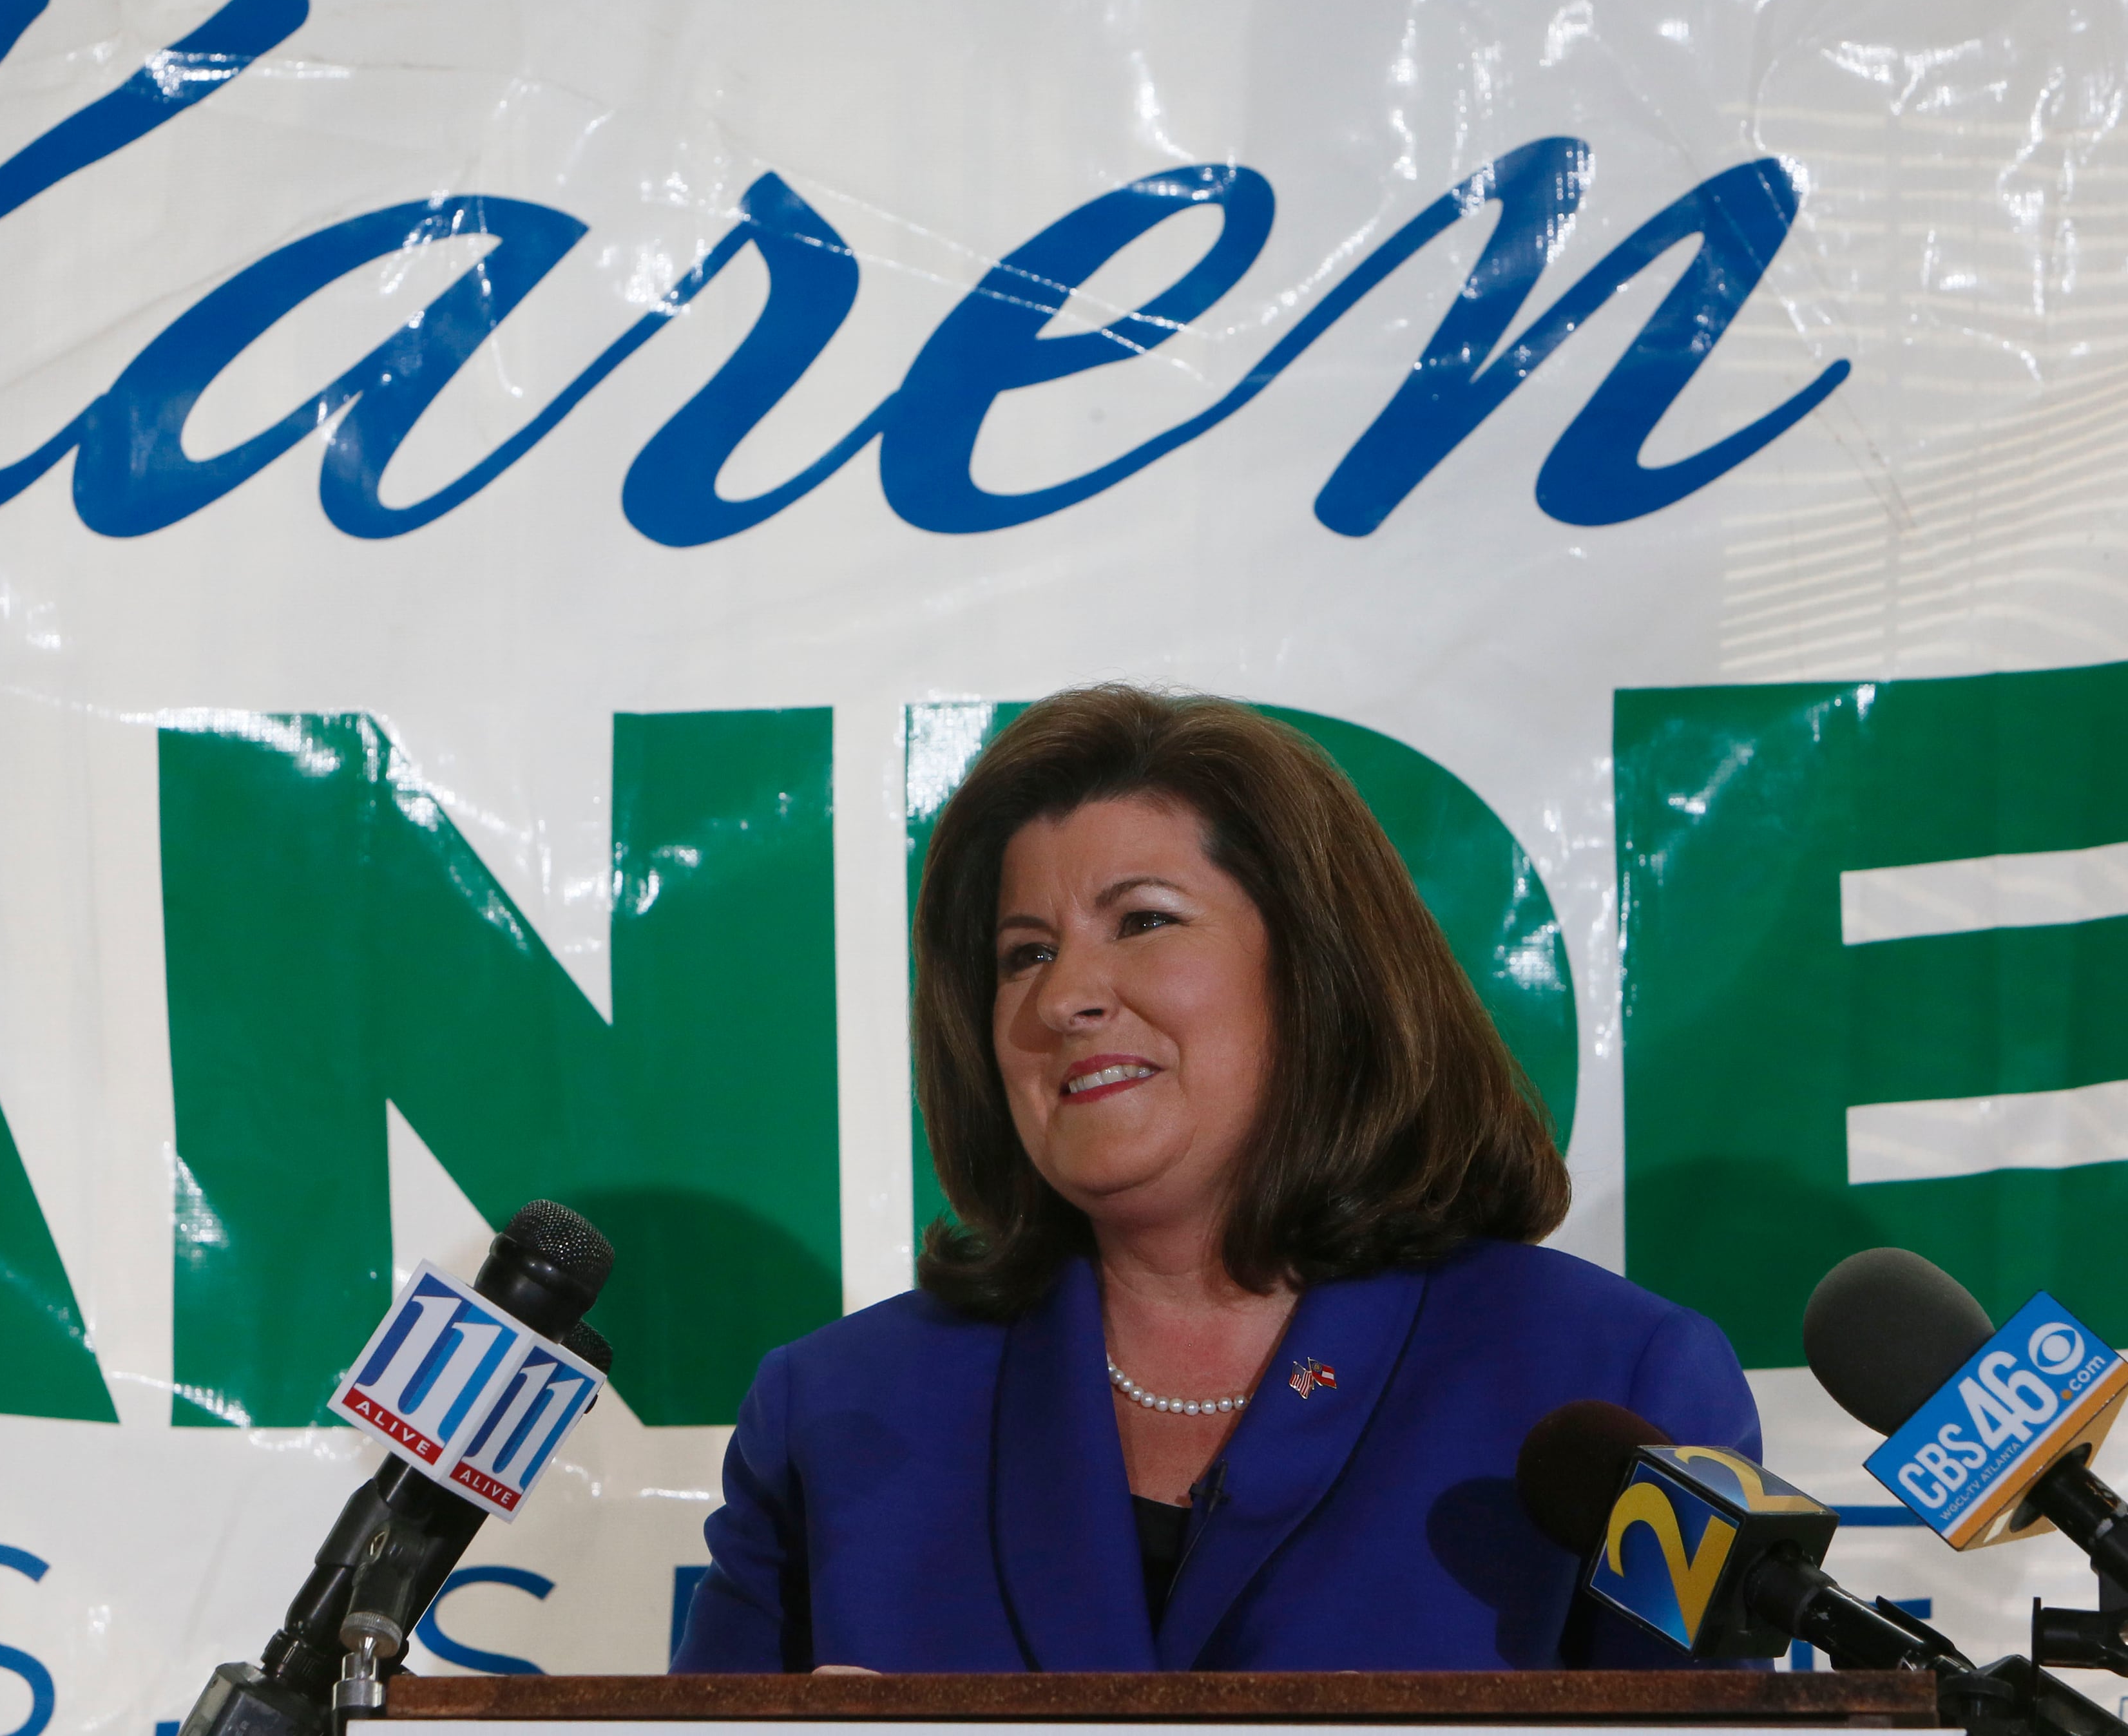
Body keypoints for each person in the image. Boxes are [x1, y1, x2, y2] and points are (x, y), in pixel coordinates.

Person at [670, 685, 1756, 1673]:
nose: (1064, 999)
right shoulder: (834, 1409)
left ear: (1318, 969)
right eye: (1024, 954)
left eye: (1142, 921)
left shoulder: (1625, 1384)